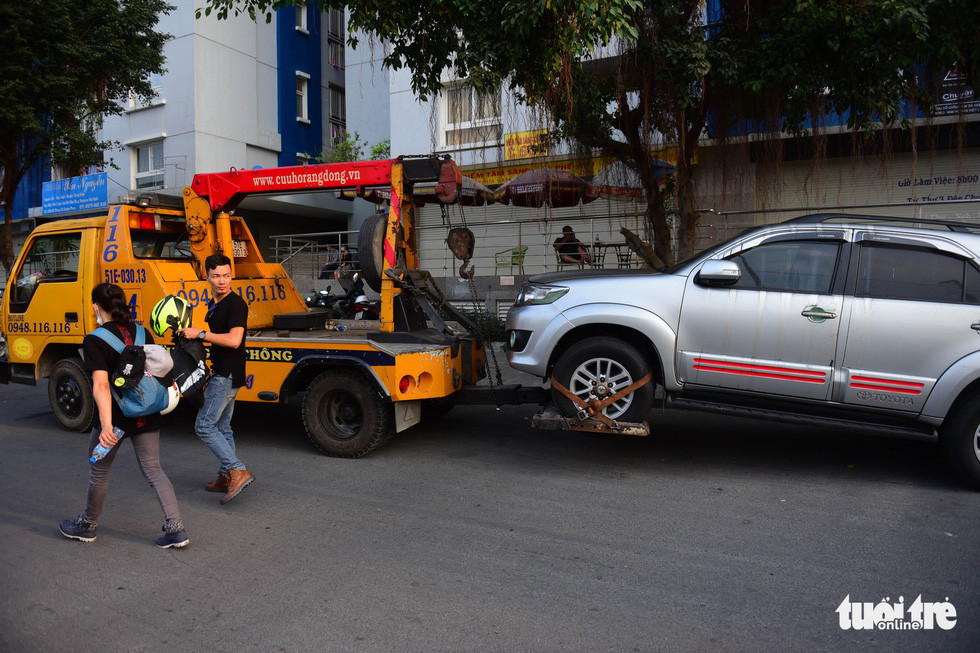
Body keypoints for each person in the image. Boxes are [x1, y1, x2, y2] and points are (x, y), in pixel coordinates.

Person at [59, 283, 189, 548]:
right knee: (154, 469)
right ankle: (176, 529)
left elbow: (102, 385)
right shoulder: (144, 333)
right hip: (146, 412)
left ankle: (87, 525)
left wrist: (106, 425)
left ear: (96, 307)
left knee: (99, 472)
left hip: (116, 418)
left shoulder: (95, 339)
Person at [179, 254, 254, 504]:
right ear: (207, 277)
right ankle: (225, 475)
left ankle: (236, 469)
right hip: (221, 370)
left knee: (204, 425)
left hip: (228, 373)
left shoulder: (236, 304)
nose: (222, 281)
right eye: (216, 276)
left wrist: (200, 333)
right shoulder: (215, 303)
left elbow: (234, 340)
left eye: (226, 275)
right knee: (222, 427)